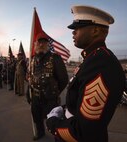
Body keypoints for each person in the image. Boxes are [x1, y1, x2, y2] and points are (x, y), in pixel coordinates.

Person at [46, 5, 126, 142]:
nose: (73, 32)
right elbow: (80, 98)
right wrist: (64, 108)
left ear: (95, 30)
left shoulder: (101, 64)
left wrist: (53, 124)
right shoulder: (93, 58)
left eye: (77, 28)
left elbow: (84, 132)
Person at [28, 32, 68, 141]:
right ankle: (40, 133)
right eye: (39, 42)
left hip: (50, 98)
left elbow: (63, 79)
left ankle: (57, 137)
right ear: (35, 44)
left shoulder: (55, 58)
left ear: (47, 44)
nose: (41, 44)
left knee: (54, 120)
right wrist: (29, 93)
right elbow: (30, 77)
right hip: (36, 97)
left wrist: (54, 91)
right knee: (37, 117)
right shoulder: (32, 59)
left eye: (44, 42)